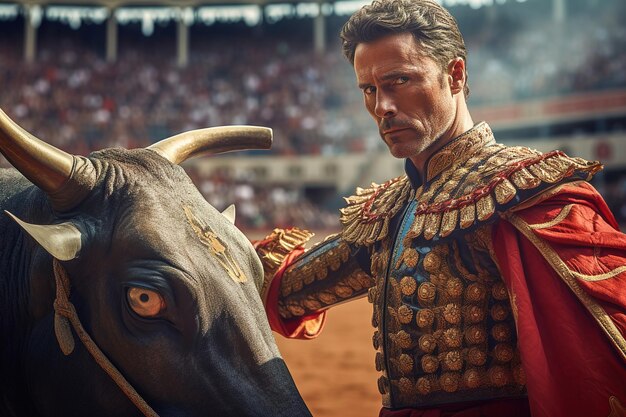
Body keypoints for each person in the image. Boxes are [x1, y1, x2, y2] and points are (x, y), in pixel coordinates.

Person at [253, 0, 626, 416]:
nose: (382, 108)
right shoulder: (391, 208)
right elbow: (284, 291)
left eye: (399, 81)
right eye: (369, 90)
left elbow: (607, 348)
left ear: (456, 74)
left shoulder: (519, 190)